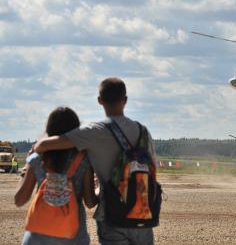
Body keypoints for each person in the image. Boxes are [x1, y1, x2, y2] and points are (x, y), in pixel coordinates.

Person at [34, 77, 157, 245]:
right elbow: (152, 169)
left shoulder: (94, 131)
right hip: (142, 213)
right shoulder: (143, 131)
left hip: (112, 214)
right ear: (125, 100)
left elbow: (44, 145)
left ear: (100, 100)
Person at [15, 106, 98, 245]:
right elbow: (90, 203)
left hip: (37, 238)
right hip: (73, 237)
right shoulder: (83, 160)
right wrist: (98, 188)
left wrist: (25, 170)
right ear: (75, 131)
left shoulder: (38, 158)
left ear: (49, 129)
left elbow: (20, 200)